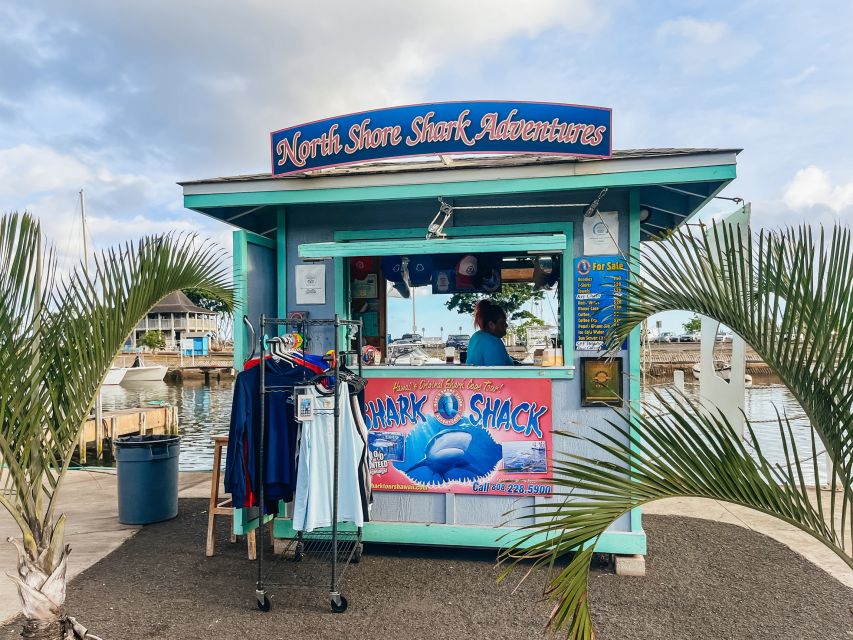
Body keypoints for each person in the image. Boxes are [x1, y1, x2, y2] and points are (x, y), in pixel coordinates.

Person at [465, 299, 514, 366]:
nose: (506, 325)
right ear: (491, 325)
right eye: (502, 322)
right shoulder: (494, 341)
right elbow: (501, 374)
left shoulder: (475, 337)